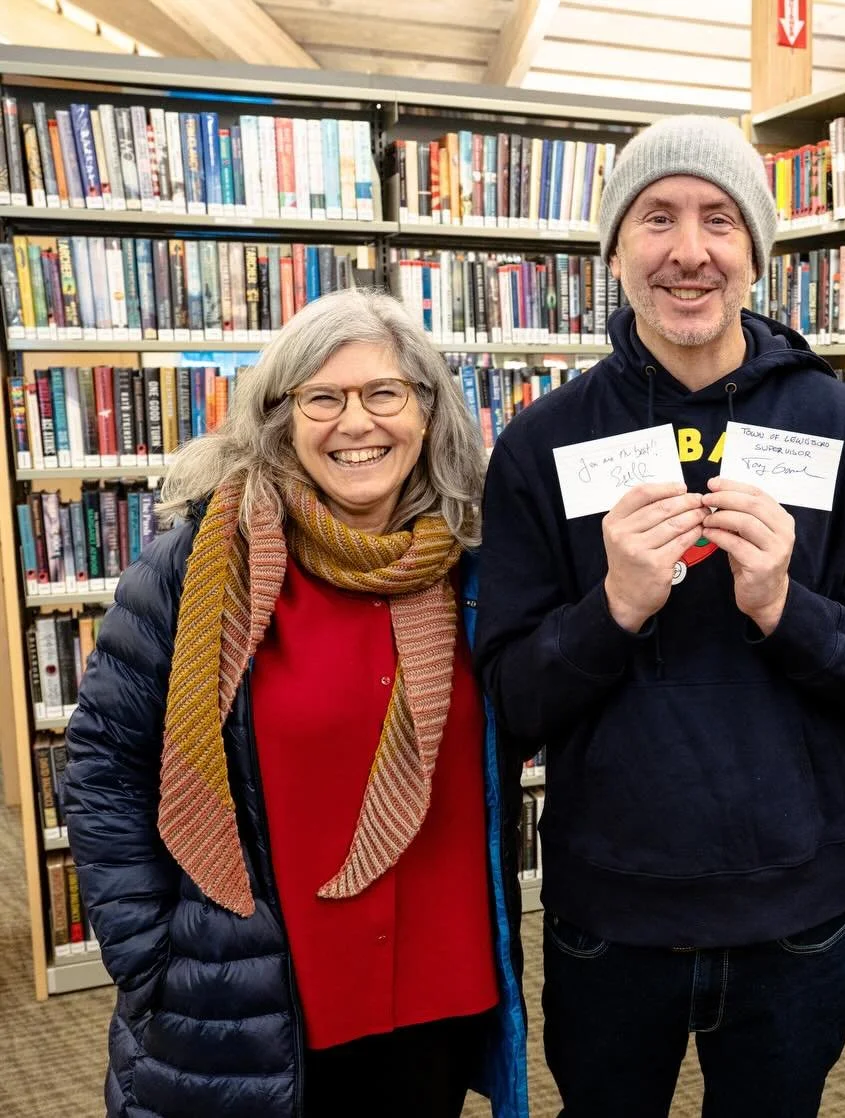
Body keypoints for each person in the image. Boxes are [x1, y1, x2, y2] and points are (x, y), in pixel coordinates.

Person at [476, 115, 845, 1118]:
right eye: (657, 218)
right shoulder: (541, 444)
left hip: (796, 917)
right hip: (609, 912)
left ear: (756, 254)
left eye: (720, 219)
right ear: (614, 249)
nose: (688, 250)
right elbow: (506, 704)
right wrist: (615, 607)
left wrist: (782, 603)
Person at [61, 289, 528, 1118]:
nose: (358, 423)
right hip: (258, 996)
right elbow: (104, 759)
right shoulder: (197, 566)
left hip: (439, 992)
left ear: (428, 411)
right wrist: (144, 952)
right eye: (323, 397)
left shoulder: (479, 567)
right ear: (280, 416)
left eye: (385, 393)